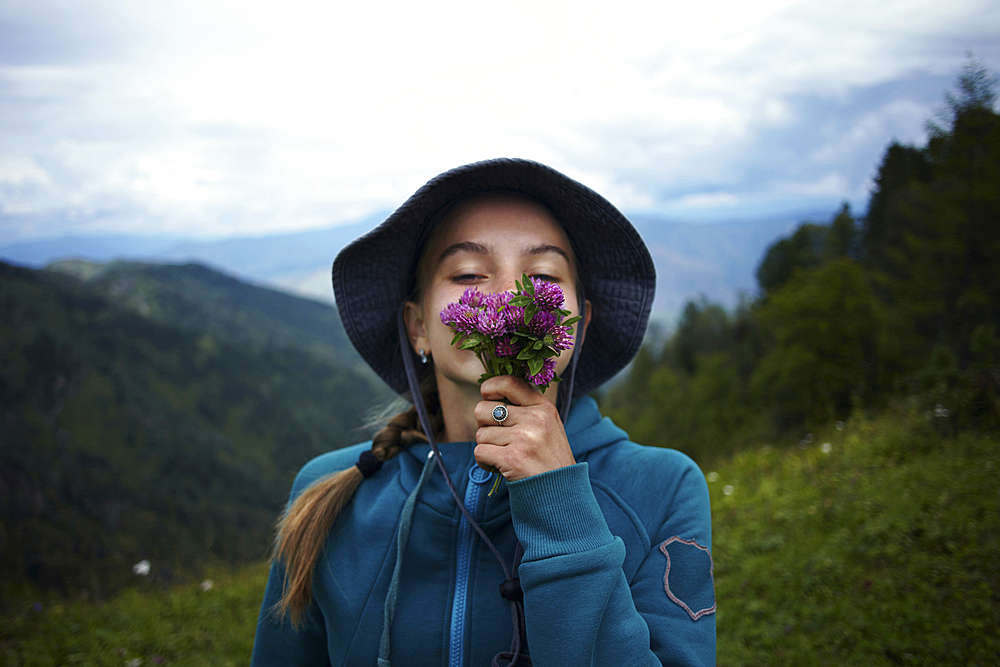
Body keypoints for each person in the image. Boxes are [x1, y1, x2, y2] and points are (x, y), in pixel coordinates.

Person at [250, 159, 716, 666]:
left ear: (578, 326)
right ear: (418, 327)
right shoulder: (330, 492)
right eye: (468, 273)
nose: (508, 296)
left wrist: (557, 499)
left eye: (541, 275)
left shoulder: (663, 486)